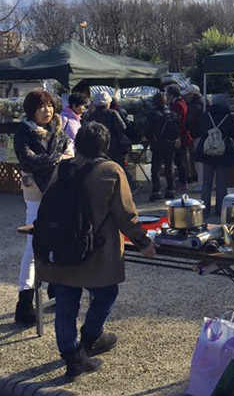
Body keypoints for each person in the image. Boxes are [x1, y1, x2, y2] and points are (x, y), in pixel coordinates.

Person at [36, 122, 155, 381]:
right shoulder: (111, 170)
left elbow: (48, 205)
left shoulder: (62, 168)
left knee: (66, 303)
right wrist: (144, 242)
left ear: (77, 143)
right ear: (105, 146)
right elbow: (126, 215)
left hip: (61, 249)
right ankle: (91, 336)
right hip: (93, 251)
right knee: (106, 292)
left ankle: (73, 358)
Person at [13, 88, 74, 326]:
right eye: (41, 106)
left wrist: (56, 160)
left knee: (59, 241)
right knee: (33, 245)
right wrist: (58, 159)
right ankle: (25, 301)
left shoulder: (59, 130)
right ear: (31, 111)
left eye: (49, 105)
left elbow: (71, 155)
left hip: (60, 191)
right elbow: (29, 161)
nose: (47, 110)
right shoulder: (23, 134)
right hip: (36, 194)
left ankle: (55, 289)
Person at [194, 93, 234, 217]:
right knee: (222, 184)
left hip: (207, 152)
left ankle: (204, 210)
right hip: (223, 152)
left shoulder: (206, 115)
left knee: (206, 183)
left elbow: (200, 130)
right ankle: (220, 210)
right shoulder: (228, 118)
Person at [144, 92, 180, 201]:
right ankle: (171, 189)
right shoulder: (172, 114)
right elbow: (177, 129)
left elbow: (147, 131)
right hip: (170, 143)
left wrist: (151, 138)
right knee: (170, 167)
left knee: (156, 168)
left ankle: (156, 190)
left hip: (157, 143)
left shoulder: (152, 114)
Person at [84, 92, 128, 166]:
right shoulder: (113, 113)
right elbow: (122, 127)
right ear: (108, 103)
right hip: (114, 148)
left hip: (97, 149)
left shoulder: (91, 116)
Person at [166, 84, 193, 188]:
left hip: (180, 135)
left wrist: (176, 136)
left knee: (180, 159)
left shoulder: (177, 105)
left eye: (167, 94)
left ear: (171, 95)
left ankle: (183, 181)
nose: (166, 96)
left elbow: (177, 122)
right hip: (183, 134)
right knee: (182, 158)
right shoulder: (182, 102)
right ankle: (185, 179)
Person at [184, 84, 204, 182]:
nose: (186, 97)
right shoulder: (204, 102)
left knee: (199, 161)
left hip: (198, 134)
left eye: (187, 95)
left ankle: (201, 183)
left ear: (192, 94)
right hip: (204, 133)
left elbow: (189, 121)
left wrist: (188, 128)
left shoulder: (194, 105)